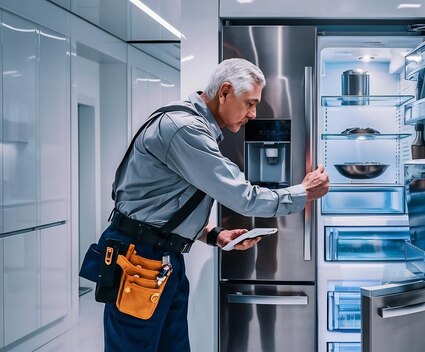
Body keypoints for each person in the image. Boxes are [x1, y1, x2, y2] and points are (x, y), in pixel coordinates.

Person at [96, 58, 329, 351]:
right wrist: (303, 192)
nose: (253, 114)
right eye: (249, 103)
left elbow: (163, 205)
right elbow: (244, 197)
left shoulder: (195, 127)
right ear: (225, 92)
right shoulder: (184, 129)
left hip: (162, 257)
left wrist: (213, 234)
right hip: (140, 259)